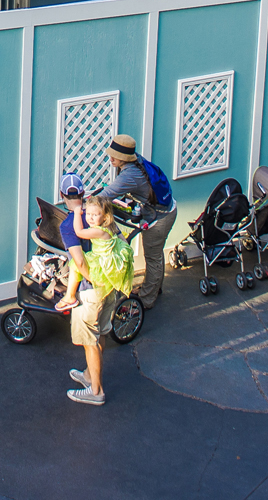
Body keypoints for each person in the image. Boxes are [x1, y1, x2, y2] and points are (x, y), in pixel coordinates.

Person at [94, 132, 176, 306]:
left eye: (115, 157)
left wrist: (84, 206)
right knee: (156, 254)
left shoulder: (130, 175)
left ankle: (146, 300)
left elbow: (104, 197)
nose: (111, 159)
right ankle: (153, 287)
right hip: (167, 210)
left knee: (153, 258)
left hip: (159, 218)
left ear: (124, 158)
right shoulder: (137, 161)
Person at [54, 175, 115, 407]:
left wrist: (95, 282)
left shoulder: (69, 225)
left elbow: (79, 262)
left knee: (90, 340)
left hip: (91, 290)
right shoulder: (100, 214)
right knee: (101, 333)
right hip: (110, 285)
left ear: (62, 197)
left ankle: (96, 391)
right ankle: (89, 375)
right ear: (82, 194)